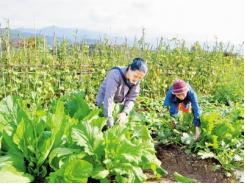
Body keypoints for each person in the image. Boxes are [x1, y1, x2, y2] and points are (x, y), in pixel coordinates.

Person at [96, 58, 148, 127]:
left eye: (140, 78)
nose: (136, 80)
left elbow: (131, 98)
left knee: (121, 122)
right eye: (135, 76)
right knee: (104, 125)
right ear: (129, 69)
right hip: (104, 103)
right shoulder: (115, 74)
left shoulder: (136, 80)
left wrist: (124, 113)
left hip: (118, 105)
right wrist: (108, 118)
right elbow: (108, 98)